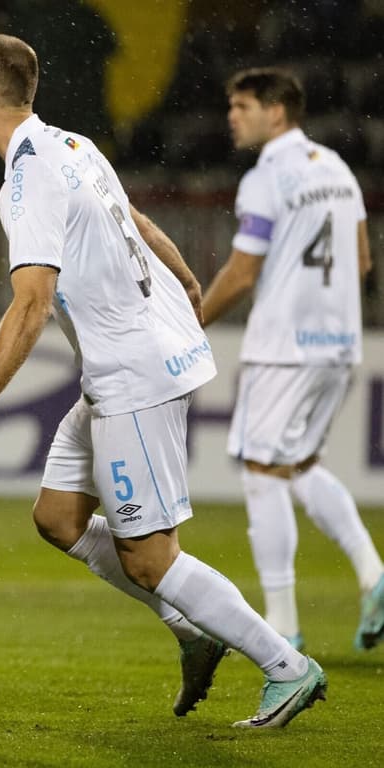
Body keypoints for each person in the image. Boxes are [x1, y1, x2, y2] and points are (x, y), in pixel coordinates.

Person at [0, 34, 326, 728]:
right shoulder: (71, 144)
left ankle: (286, 667)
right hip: (135, 356)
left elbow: (32, 303)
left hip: (132, 372)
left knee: (149, 558)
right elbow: (136, 221)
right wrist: (186, 276)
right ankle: (192, 628)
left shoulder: (27, 179)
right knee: (57, 517)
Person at [201, 67, 383, 652]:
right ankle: (374, 575)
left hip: (283, 349)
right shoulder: (336, 168)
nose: (232, 115)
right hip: (338, 345)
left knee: (261, 473)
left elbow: (242, 271)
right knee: (298, 464)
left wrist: (190, 320)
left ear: (276, 112)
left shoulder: (265, 177)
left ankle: (282, 626)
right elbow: (359, 261)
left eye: (242, 105)